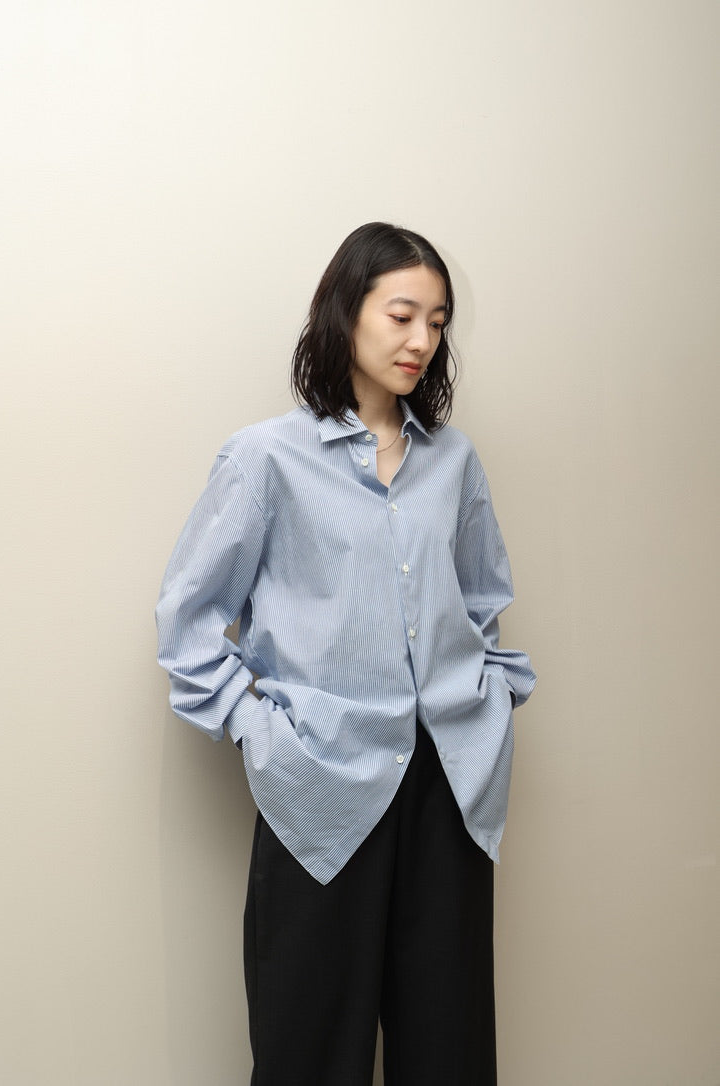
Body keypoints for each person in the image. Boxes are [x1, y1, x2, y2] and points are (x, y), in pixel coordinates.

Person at [155, 222, 536, 1085]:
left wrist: (487, 707)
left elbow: (481, 605)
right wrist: (262, 732)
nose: (421, 340)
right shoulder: (265, 460)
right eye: (402, 315)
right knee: (309, 1052)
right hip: (319, 783)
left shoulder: (454, 463)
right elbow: (188, 622)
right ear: (345, 312)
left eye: (437, 321)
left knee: (448, 1052)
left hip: (449, 785)